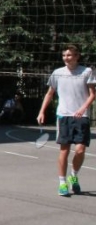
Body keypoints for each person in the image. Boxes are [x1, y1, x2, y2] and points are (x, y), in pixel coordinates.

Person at [37, 44, 96, 197]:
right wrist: (42, 111)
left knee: (80, 150)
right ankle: (62, 183)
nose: (66, 58)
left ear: (77, 56)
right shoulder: (57, 73)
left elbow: (92, 94)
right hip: (63, 116)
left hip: (81, 116)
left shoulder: (87, 72)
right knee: (64, 150)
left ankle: (73, 175)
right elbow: (50, 93)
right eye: (64, 55)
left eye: (69, 55)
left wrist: (83, 108)